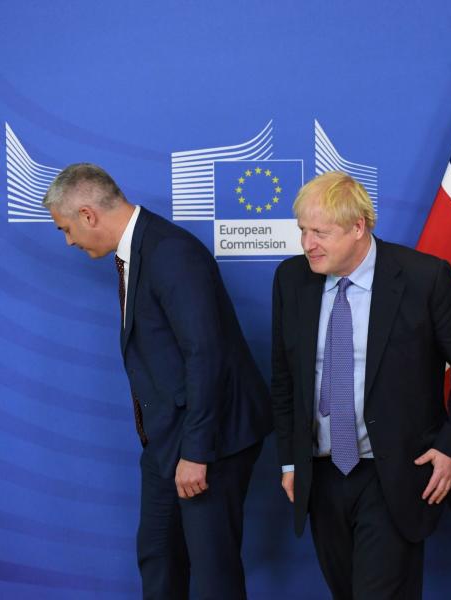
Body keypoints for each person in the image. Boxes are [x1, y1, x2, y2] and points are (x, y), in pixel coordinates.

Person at [43, 163, 272, 599]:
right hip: (169, 439)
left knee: (212, 573)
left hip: (212, 438)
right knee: (158, 555)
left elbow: (207, 355)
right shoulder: (138, 250)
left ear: (88, 214)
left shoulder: (170, 253)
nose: (69, 240)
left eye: (66, 229)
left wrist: (197, 452)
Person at [271, 171, 451, 599]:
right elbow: (284, 380)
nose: (307, 244)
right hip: (322, 473)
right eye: (302, 231)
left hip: (393, 474)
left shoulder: (425, 279)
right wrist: (289, 462)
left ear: (358, 227)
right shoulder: (291, 279)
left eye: (320, 232)